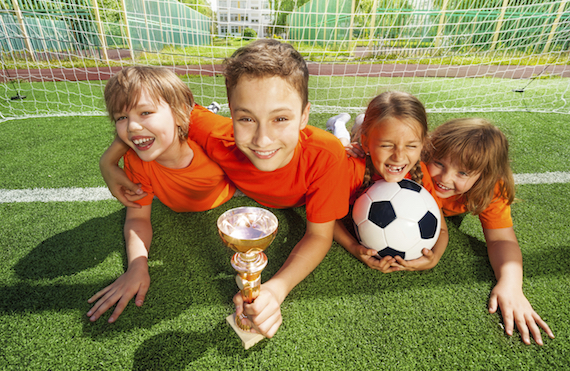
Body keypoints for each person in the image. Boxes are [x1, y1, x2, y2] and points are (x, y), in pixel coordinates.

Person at [98, 39, 351, 338]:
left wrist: (277, 288)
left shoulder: (326, 156)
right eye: (246, 118)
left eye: (280, 118)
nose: (262, 139)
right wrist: (109, 163)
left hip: (333, 166)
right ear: (230, 113)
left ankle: (344, 127)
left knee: (348, 148)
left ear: (304, 115)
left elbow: (319, 235)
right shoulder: (216, 134)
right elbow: (153, 118)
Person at [87, 66, 235, 323]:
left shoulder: (213, 146)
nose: (132, 126)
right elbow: (137, 218)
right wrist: (137, 265)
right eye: (121, 118)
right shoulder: (136, 161)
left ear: (179, 113)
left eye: (145, 112)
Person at [424, 118, 554, 345]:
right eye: (439, 163)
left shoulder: (492, 188)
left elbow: (501, 239)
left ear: (484, 177)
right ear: (427, 152)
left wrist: (511, 284)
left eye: (463, 173)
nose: (445, 178)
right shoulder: (413, 163)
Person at [329, 92, 449, 273]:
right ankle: (338, 124)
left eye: (411, 145)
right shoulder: (351, 170)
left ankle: (361, 124)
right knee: (341, 145)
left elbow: (442, 229)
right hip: (353, 151)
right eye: (387, 145)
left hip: (367, 141)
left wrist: (434, 258)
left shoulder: (420, 173)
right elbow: (327, 219)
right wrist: (353, 247)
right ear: (367, 143)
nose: (398, 156)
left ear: (423, 144)